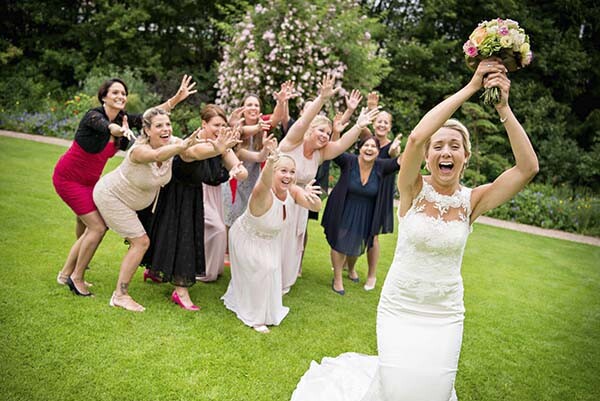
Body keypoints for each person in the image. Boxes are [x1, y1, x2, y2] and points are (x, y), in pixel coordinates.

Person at [290, 59, 538, 400]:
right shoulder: (412, 189)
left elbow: (527, 168)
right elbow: (418, 136)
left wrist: (504, 108)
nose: (445, 152)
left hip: (446, 313)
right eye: (438, 146)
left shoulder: (473, 201)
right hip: (400, 306)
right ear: (426, 157)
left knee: (434, 389)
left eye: (454, 147)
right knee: (395, 386)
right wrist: (471, 88)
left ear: (465, 157)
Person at [53, 75, 196, 296]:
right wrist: (116, 130)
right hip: (68, 178)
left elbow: (152, 117)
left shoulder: (125, 118)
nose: (121, 96)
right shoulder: (94, 116)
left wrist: (176, 99)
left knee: (91, 228)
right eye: (115, 93)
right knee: (98, 227)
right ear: (104, 97)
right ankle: (76, 277)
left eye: (123, 93)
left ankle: (65, 274)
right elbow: (104, 125)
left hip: (91, 181)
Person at [278, 74, 380, 294]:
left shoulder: (320, 153)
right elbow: (304, 120)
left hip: (299, 205)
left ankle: (281, 283)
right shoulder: (293, 140)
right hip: (276, 199)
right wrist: (322, 99)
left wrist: (358, 125)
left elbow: (342, 143)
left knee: (291, 244)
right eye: (321, 131)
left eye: (327, 132)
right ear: (309, 130)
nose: (325, 136)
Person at [139, 104, 245, 310]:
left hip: (192, 194)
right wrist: (220, 147)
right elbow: (195, 153)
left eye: (223, 125)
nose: (220, 129)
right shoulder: (195, 141)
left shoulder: (222, 144)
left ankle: (155, 270)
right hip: (176, 191)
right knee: (175, 235)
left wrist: (238, 171)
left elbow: (239, 170)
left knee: (176, 235)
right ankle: (180, 291)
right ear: (204, 124)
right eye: (216, 125)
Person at [93, 107, 197, 312]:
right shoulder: (139, 150)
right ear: (147, 130)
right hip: (112, 197)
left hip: (132, 202)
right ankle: (119, 296)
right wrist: (181, 146)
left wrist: (219, 147)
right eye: (159, 125)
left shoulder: (173, 142)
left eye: (168, 124)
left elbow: (192, 151)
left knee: (97, 232)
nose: (166, 128)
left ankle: (70, 274)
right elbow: (158, 154)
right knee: (141, 242)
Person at [222, 144, 322, 333]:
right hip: (246, 237)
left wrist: (313, 198)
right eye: (283, 171)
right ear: (273, 171)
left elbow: (315, 207)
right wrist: (270, 162)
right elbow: (264, 182)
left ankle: (260, 306)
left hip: (270, 240)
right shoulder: (262, 194)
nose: (288, 176)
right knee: (264, 269)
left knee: (271, 271)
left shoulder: (292, 190)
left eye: (292, 172)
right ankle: (256, 317)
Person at [322, 135, 401, 296]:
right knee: (338, 242)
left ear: (378, 152)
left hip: (366, 212)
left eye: (373, 147)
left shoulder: (381, 166)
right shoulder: (349, 161)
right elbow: (334, 150)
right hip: (344, 207)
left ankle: (351, 269)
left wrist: (416, 141)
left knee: (357, 243)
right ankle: (337, 279)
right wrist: (337, 130)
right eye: (366, 145)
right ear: (360, 148)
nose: (369, 149)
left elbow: (400, 162)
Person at [347, 92, 403, 291]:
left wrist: (394, 151)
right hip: (361, 190)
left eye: (385, 123)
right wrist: (371, 108)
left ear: (390, 126)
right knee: (354, 229)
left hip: (380, 194)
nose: (381, 125)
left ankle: (371, 275)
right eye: (379, 121)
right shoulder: (367, 139)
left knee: (373, 236)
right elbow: (361, 127)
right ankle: (351, 267)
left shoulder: (391, 145)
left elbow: (395, 157)